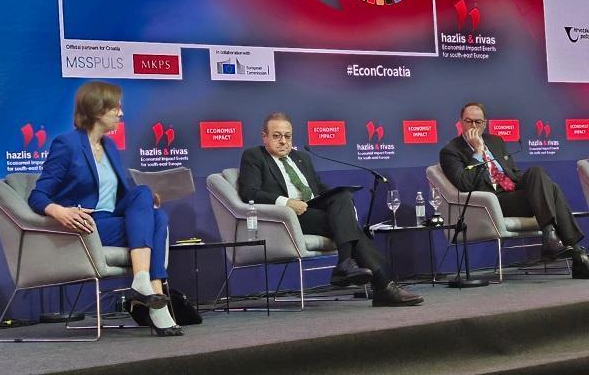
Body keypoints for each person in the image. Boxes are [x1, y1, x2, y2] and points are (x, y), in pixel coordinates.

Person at [28, 81, 183, 336]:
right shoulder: (67, 144)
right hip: (90, 224)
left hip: (114, 218)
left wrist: (146, 201)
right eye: (116, 108)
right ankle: (154, 294)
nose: (121, 113)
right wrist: (59, 211)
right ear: (98, 110)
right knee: (157, 219)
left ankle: (144, 283)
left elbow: (121, 197)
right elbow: (38, 195)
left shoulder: (110, 146)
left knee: (146, 197)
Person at [238, 112, 423, 306]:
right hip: (287, 217)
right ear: (264, 136)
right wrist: (286, 202)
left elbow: (319, 188)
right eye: (277, 136)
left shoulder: (301, 157)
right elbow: (249, 192)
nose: (283, 141)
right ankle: (382, 285)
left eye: (288, 136)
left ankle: (347, 265)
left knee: (342, 196)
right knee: (348, 227)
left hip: (312, 208)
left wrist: (343, 199)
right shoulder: (254, 156)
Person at [440, 102, 589, 278]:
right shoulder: (451, 151)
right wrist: (478, 152)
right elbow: (464, 183)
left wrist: (538, 185)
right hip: (493, 201)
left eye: (477, 122)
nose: (473, 126)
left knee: (539, 175)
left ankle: (551, 238)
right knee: (552, 190)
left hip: (513, 191)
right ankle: (577, 254)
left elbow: (512, 172)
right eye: (468, 121)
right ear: (461, 123)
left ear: (485, 124)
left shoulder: (495, 141)